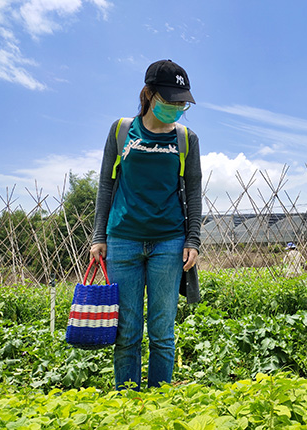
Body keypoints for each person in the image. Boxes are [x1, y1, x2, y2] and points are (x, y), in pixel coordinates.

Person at [90, 59, 202, 390]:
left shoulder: (186, 139)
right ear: (149, 94)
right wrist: (99, 235)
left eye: (182, 101)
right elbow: (106, 184)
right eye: (171, 99)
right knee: (126, 331)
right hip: (123, 239)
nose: (178, 106)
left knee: (162, 331)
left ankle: (158, 405)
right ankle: (128, 404)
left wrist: (192, 240)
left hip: (169, 242)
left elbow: (194, 189)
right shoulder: (122, 130)